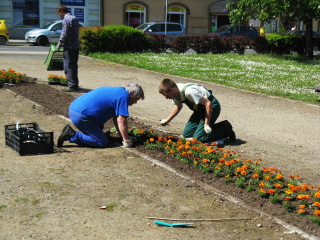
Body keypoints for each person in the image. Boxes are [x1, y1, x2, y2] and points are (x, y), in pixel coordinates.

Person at [57, 84, 144, 148]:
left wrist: (124, 137)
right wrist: (127, 141)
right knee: (101, 141)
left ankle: (86, 134)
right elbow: (121, 120)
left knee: (99, 133)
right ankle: (71, 135)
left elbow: (116, 119)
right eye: (136, 99)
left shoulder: (118, 91)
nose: (135, 102)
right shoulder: (124, 97)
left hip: (75, 108)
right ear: (132, 94)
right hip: (81, 116)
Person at [158, 78, 236, 144]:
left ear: (172, 90)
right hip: (200, 110)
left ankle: (225, 129)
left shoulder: (189, 91)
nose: (166, 98)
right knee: (186, 134)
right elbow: (178, 106)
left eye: (167, 95)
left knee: (198, 139)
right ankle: (209, 129)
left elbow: (208, 104)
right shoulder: (176, 92)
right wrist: (167, 120)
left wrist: (206, 124)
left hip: (212, 108)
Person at [56, 4, 80, 92]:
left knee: (68, 66)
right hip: (76, 45)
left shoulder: (66, 19)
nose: (59, 16)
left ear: (61, 11)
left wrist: (59, 44)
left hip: (69, 46)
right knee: (74, 65)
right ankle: (75, 84)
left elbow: (64, 33)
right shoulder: (74, 18)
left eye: (59, 14)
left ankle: (72, 86)